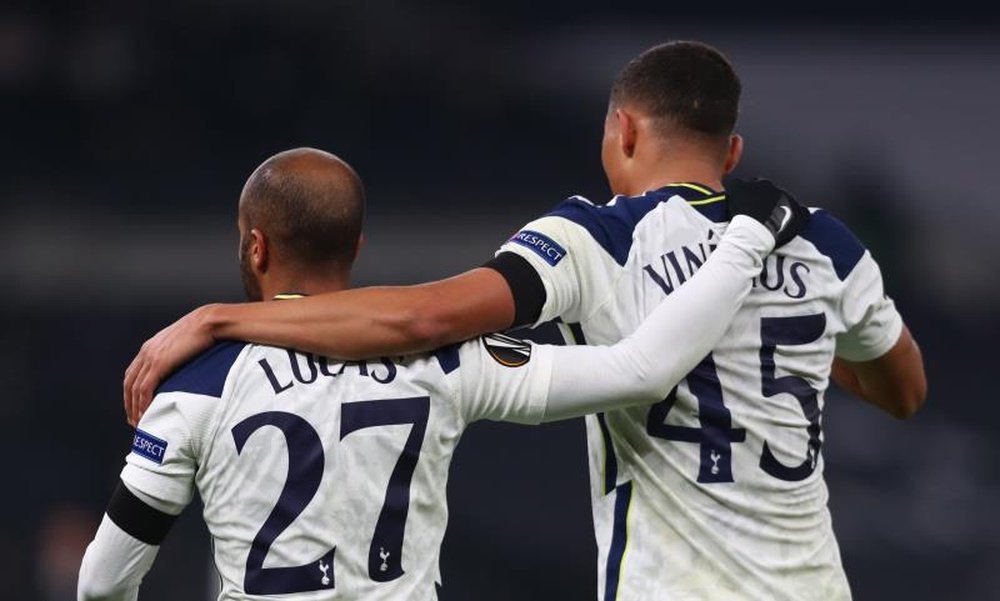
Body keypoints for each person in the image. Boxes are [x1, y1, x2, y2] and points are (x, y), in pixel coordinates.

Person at [122, 41, 927, 600]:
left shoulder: (597, 236)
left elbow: (424, 317)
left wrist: (227, 318)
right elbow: (904, 388)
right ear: (732, 148)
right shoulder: (825, 241)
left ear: (624, 130)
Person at [80, 147, 803, 600]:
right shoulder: (449, 359)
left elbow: (104, 579)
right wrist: (743, 241)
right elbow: (643, 368)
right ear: (357, 246)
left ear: (256, 248)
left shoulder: (196, 382)